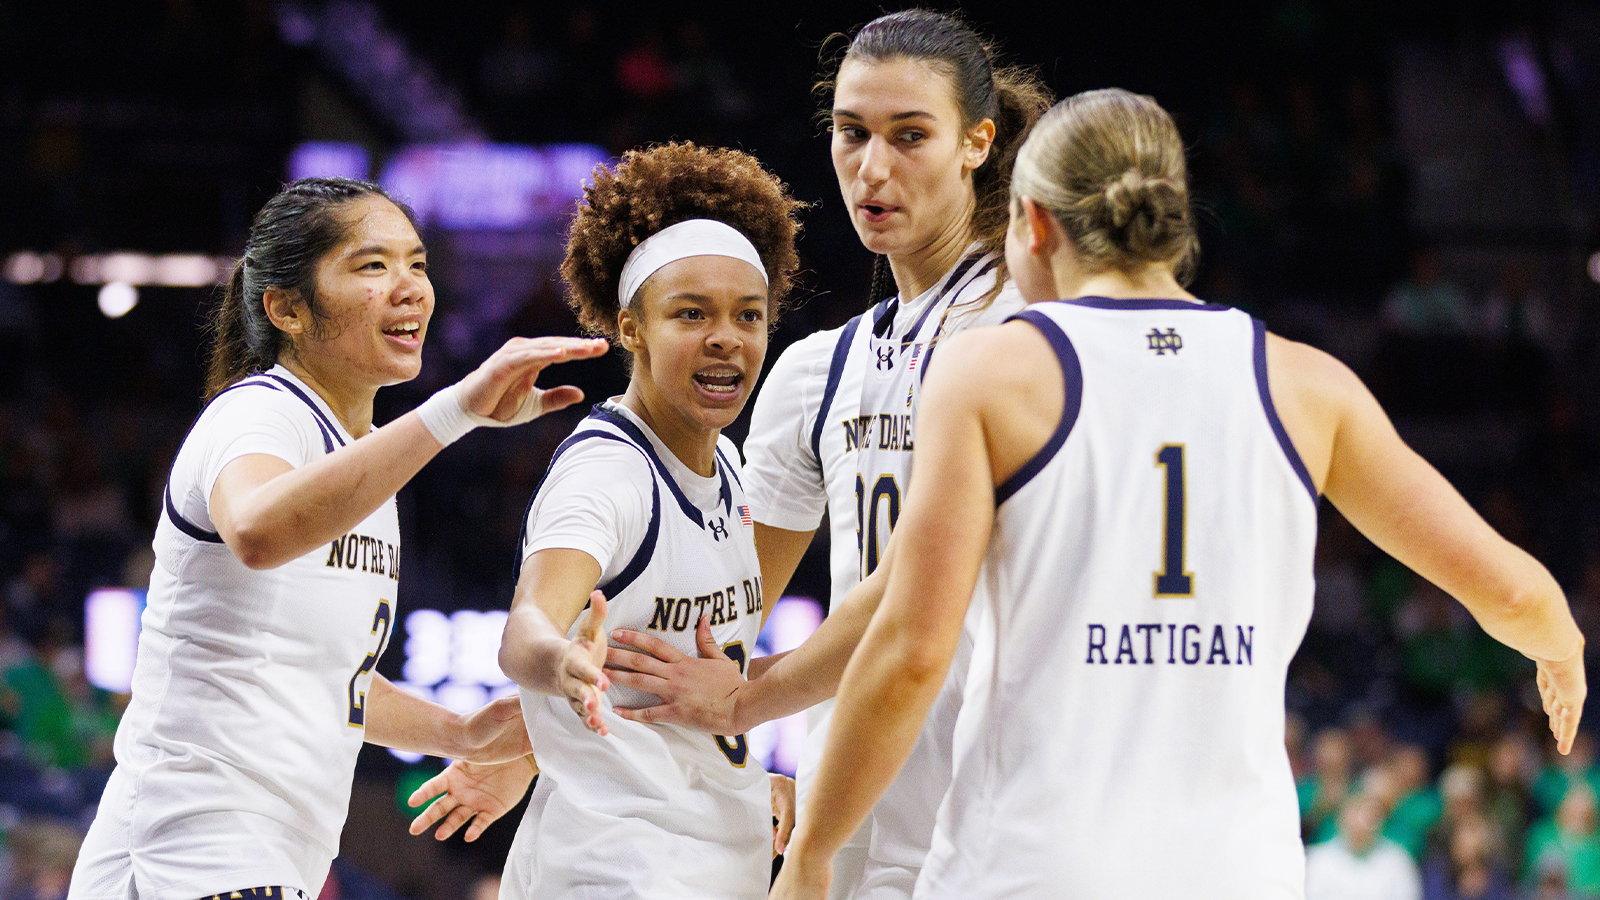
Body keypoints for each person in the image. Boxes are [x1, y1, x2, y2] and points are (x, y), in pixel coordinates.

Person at [770, 88, 1587, 899]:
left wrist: (814, 851)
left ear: (1032, 223)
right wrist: (1560, 651)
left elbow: (912, 650)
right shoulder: (1305, 383)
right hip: (1239, 873)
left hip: (1034, 866)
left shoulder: (993, 372)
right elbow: (1513, 591)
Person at [592, 13, 1049, 900]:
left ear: (976, 143)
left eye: (910, 136)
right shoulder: (818, 370)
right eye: (852, 134)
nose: (872, 168)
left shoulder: (1035, 331)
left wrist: (747, 700)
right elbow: (715, 614)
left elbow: (925, 582)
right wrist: (530, 744)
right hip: (857, 811)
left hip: (1010, 815)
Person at [67, 177, 606, 900]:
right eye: (372, 265)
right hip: (193, 849)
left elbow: (326, 676)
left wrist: (462, 733)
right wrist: (454, 413)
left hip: (265, 854)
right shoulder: (259, 412)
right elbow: (257, 529)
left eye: (416, 263)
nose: (410, 286)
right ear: (287, 307)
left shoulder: (364, 457)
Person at [493, 142, 802, 899]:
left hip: (706, 856)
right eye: (690, 313)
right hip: (616, 867)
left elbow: (697, 680)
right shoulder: (608, 473)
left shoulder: (727, 466)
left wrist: (740, 772)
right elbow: (527, 625)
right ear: (630, 329)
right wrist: (558, 663)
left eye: (747, 315)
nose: (725, 336)